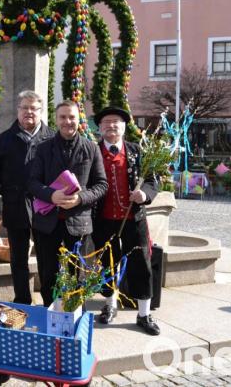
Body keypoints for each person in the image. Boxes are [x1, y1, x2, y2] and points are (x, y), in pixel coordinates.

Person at [27, 100, 108, 307]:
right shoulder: (43, 148)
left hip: (79, 222)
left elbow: (102, 185)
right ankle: (50, 311)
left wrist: (80, 198)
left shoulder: (91, 148)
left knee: (78, 275)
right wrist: (51, 195)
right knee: (48, 274)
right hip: (48, 223)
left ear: (79, 119)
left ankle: (74, 313)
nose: (67, 121)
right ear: (56, 120)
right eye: (63, 117)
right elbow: (32, 182)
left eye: (72, 117)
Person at [91, 107, 160, 335]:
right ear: (100, 128)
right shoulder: (92, 151)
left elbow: (152, 180)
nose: (111, 126)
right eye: (107, 122)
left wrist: (145, 194)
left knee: (141, 264)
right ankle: (110, 305)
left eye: (116, 122)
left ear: (124, 127)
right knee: (106, 264)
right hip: (103, 221)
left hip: (134, 219)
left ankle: (144, 314)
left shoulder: (137, 151)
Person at [0, 91, 55, 304]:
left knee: (47, 259)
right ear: (18, 110)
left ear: (41, 111)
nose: (28, 112)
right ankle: (22, 301)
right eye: (24, 108)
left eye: (33, 108)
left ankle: (49, 302)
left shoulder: (52, 138)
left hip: (45, 208)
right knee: (18, 259)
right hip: (15, 206)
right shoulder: (5, 138)